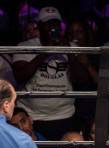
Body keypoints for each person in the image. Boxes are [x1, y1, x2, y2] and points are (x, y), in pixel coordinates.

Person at [12, 7, 89, 141]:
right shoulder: (25, 46)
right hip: (33, 117)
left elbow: (82, 80)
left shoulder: (71, 47)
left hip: (65, 116)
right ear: (40, 26)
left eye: (55, 23)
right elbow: (20, 75)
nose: (52, 27)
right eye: (48, 23)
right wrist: (46, 51)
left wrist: (69, 52)